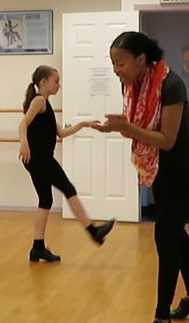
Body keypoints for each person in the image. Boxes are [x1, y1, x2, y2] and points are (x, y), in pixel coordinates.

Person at [95, 31, 189, 323]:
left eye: (120, 63)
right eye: (113, 63)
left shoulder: (171, 85)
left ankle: (161, 318)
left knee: (165, 233)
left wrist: (126, 127)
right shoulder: (131, 85)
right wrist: (117, 126)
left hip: (188, 164)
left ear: (141, 59)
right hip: (161, 166)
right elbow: (137, 128)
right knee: (173, 230)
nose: (116, 70)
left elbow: (167, 140)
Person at [18, 65, 116, 262]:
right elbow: (23, 124)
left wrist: (83, 124)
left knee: (45, 200)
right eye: (56, 81)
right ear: (43, 82)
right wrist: (24, 143)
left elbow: (61, 133)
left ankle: (38, 248)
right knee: (68, 189)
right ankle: (93, 231)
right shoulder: (38, 100)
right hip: (40, 159)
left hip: (38, 160)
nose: (59, 85)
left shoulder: (45, 104)